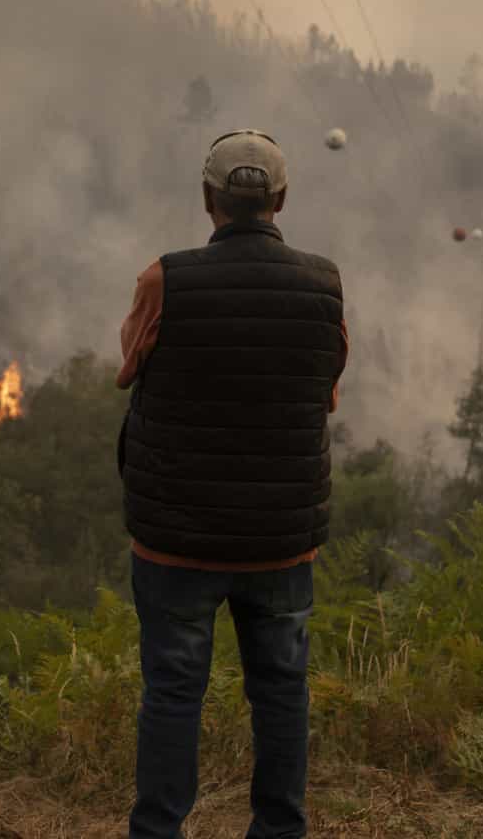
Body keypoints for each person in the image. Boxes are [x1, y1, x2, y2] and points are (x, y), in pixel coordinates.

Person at [115, 128, 347, 839]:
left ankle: (158, 832)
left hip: (176, 536)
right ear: (280, 199)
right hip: (280, 537)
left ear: (208, 198)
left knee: (174, 691)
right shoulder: (324, 283)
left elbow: (129, 367)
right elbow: (327, 390)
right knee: (281, 693)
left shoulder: (163, 278)